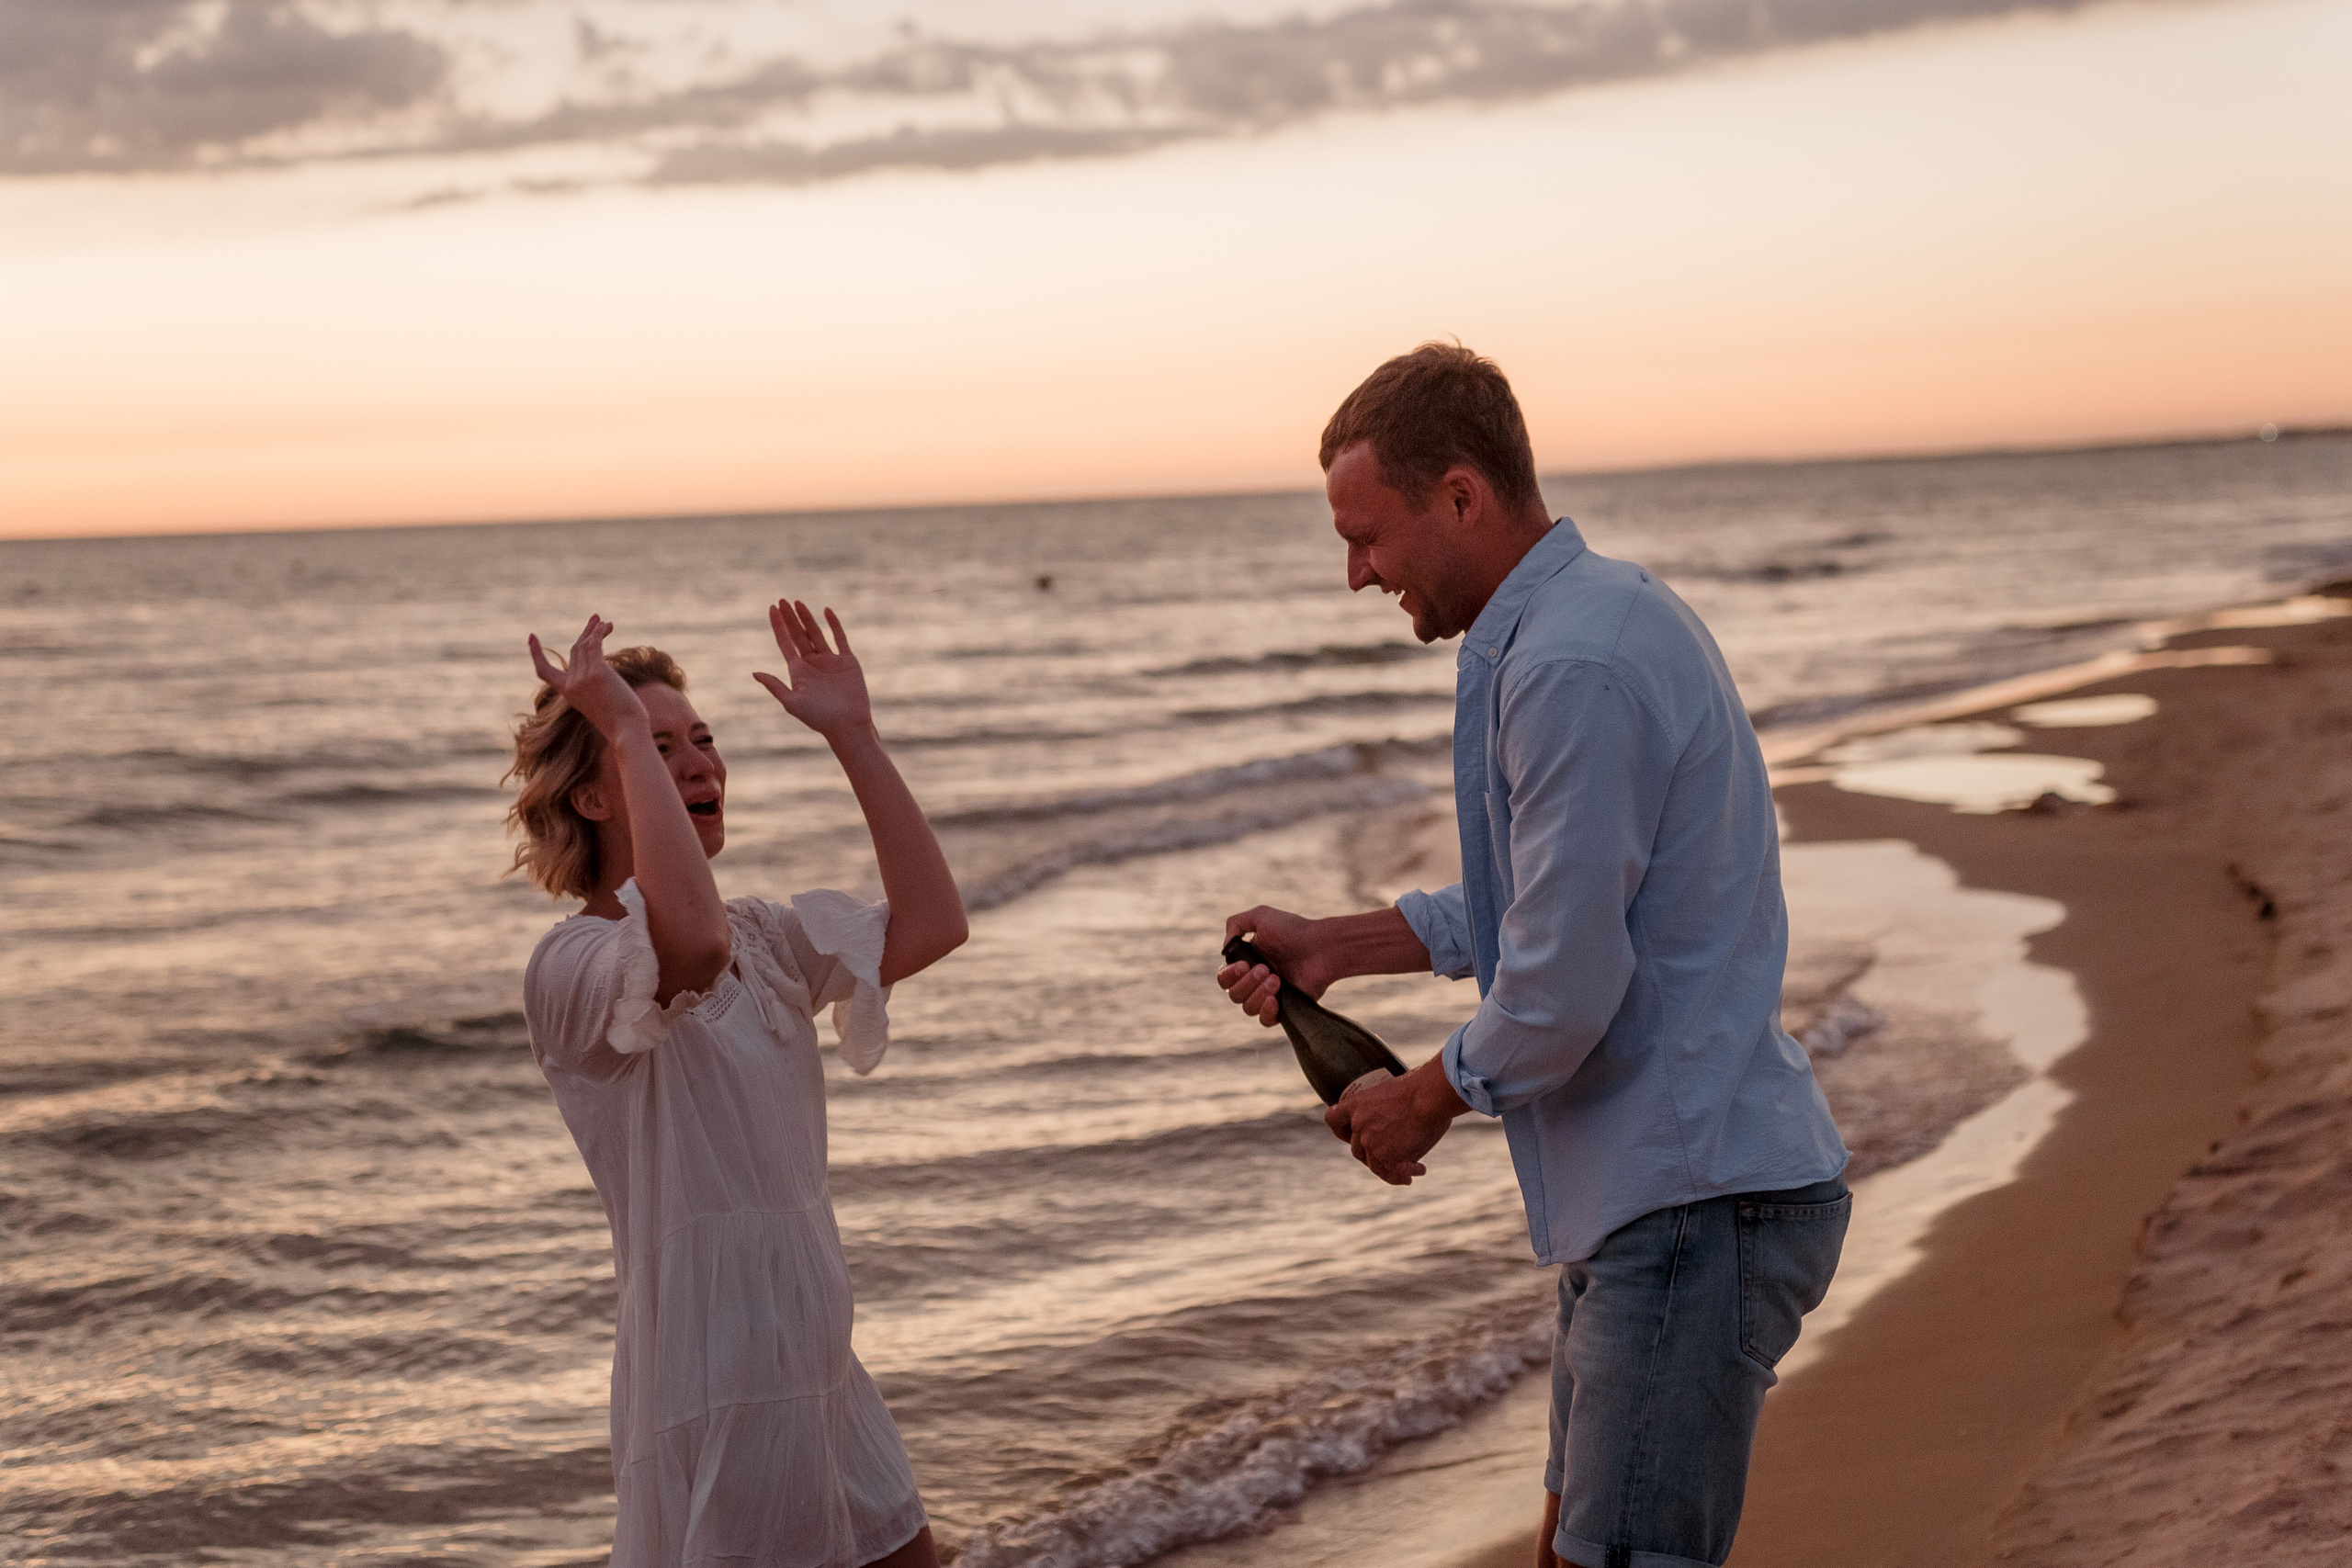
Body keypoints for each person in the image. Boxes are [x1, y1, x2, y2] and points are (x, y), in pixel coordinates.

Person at [1216, 344, 1849, 1568]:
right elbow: (1542, 904)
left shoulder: (1573, 664)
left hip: (1690, 1200)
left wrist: (1423, 1096)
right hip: (1658, 1196)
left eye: (1369, 537)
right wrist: (1335, 946)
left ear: (1461, 495)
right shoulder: (1574, 626)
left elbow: (1562, 979)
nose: (1355, 575)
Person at [507, 601, 967, 1568]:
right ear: (593, 796)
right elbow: (691, 946)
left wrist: (855, 736)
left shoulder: (765, 939)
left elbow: (931, 922)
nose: (697, 761)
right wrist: (624, 728)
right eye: (654, 745)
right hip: (716, 1372)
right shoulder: (573, 969)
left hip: (813, 1355)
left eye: (703, 739)